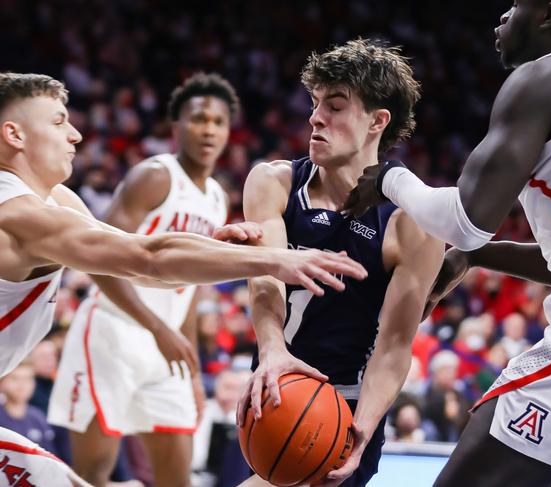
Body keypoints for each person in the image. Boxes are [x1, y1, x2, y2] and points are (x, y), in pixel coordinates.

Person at [0, 72, 367, 486]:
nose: (76, 135)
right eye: (58, 121)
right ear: (14, 134)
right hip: (114, 333)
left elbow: (148, 270)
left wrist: (217, 253)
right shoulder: (15, 211)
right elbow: (146, 258)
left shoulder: (60, 200)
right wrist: (271, 260)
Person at [343, 3, 551, 486]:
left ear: (547, 15)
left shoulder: (547, 77)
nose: (501, 18)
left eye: (515, 5)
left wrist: (390, 179)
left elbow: (465, 222)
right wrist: (476, 257)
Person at [235, 39, 445, 487]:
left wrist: (362, 428)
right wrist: (272, 352)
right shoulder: (274, 182)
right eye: (314, 104)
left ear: (377, 121)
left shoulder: (411, 222)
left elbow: (393, 346)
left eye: (334, 106)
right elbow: (265, 281)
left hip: (341, 413)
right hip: (274, 389)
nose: (315, 118)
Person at [47, 72, 248, 487]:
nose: (208, 129)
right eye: (198, 119)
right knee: (91, 476)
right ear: (176, 127)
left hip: (166, 343)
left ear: (229, 131)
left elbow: (192, 284)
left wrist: (191, 365)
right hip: (113, 332)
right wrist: (157, 327)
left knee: (179, 478)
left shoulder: (215, 197)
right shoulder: (155, 176)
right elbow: (98, 260)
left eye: (218, 121)